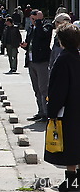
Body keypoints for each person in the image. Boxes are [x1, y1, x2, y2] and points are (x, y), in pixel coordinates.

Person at [44, 23, 80, 192]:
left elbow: (58, 89)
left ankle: (71, 183)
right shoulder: (77, 56)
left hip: (69, 111)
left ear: (61, 40)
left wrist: (51, 111)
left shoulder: (63, 59)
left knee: (70, 147)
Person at [21, 10, 53, 123]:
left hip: (41, 62)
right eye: (32, 19)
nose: (33, 21)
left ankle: (46, 113)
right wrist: (25, 46)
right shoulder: (31, 28)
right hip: (31, 61)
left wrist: (39, 22)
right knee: (36, 89)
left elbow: (42, 36)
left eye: (35, 19)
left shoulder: (46, 26)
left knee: (43, 88)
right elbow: (30, 42)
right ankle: (40, 111)